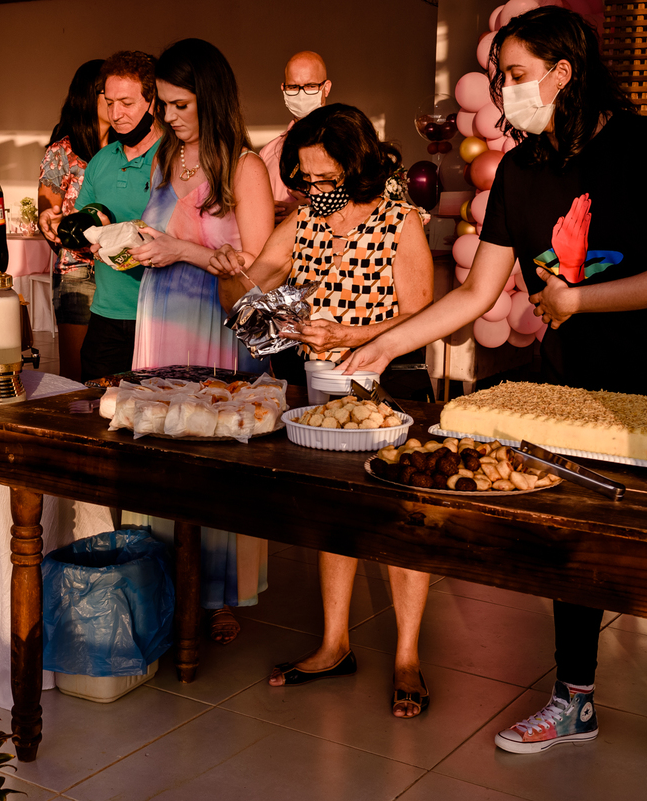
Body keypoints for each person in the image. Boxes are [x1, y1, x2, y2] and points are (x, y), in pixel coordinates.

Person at [339, 6, 647, 770]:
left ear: (564, 72)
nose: (506, 91)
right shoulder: (523, 169)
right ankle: (575, 698)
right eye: (499, 78)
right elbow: (475, 295)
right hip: (568, 387)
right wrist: (382, 340)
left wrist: (579, 299)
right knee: (571, 547)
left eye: (517, 76)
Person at [211, 104, 434, 714]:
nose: (315, 191)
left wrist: (355, 337)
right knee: (332, 515)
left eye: (327, 180)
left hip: (391, 386)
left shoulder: (399, 219)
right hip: (322, 391)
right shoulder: (306, 217)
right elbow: (254, 287)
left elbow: (420, 313)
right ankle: (335, 644)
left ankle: (408, 656)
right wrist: (230, 272)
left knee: (399, 524)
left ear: (356, 165)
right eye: (305, 180)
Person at [122, 38, 275, 644]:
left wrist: (184, 249)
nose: (170, 117)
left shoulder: (245, 167)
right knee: (157, 443)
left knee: (211, 449)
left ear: (211, 100)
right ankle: (159, 575)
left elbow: (261, 268)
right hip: (159, 314)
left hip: (214, 323)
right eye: (164, 104)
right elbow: (163, 234)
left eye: (181, 105)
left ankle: (217, 591)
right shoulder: (165, 159)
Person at [39, 51, 162, 382]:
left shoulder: (173, 157)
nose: (116, 114)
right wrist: (62, 226)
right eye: (109, 102)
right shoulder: (102, 160)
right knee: (95, 408)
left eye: (126, 103)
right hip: (105, 315)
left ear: (154, 103)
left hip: (158, 317)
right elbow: (87, 222)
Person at [37, 59, 109, 381]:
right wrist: (49, 222)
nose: (115, 102)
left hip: (119, 265)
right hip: (77, 268)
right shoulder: (63, 151)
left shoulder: (129, 152)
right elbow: (46, 210)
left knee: (114, 366)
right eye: (107, 93)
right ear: (89, 96)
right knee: (75, 372)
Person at [258, 51, 331, 225]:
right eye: (293, 87)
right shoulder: (267, 153)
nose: (301, 93)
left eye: (310, 86)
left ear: (326, 88)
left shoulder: (346, 143)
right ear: (283, 89)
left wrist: (307, 209)